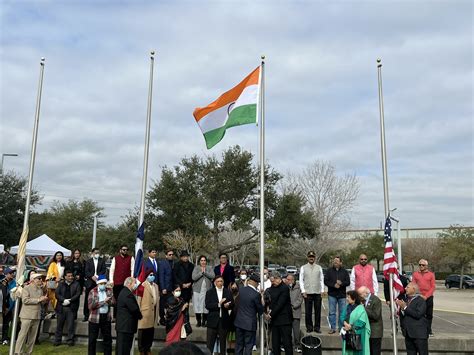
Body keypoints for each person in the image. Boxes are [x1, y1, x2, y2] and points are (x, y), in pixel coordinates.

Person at [14, 273, 49, 355]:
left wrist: (44, 300)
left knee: (32, 337)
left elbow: (40, 302)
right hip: (27, 315)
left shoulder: (40, 289)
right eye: (39, 278)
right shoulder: (26, 288)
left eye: (41, 278)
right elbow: (25, 300)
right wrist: (38, 300)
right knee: (22, 335)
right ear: (33, 280)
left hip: (36, 316)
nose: (41, 280)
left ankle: (29, 352)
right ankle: (18, 352)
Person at [234, 273, 264, 355]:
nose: (258, 285)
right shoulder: (256, 294)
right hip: (249, 324)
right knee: (248, 346)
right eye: (257, 283)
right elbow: (260, 310)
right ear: (254, 282)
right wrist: (262, 298)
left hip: (239, 322)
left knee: (239, 345)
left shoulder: (241, 290)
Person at [396, 282, 429, 355]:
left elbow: (418, 314)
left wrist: (405, 307)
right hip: (408, 334)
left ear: (413, 289)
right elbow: (404, 314)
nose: (405, 289)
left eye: (407, 287)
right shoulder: (405, 300)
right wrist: (401, 309)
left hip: (419, 334)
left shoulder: (421, 300)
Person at [205, 275, 234, 355]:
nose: (220, 283)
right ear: (215, 283)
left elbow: (232, 303)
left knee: (223, 343)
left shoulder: (227, 292)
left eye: (221, 281)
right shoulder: (210, 292)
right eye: (218, 281)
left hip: (223, 321)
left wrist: (227, 306)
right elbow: (207, 305)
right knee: (210, 343)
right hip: (212, 321)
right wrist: (219, 304)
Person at [266, 271, 293, 355]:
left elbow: (280, 304)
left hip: (284, 320)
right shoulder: (272, 287)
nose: (272, 283)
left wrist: (270, 314)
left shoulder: (284, 288)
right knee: (275, 344)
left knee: (286, 343)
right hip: (275, 320)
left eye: (273, 281)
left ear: (278, 278)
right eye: (271, 281)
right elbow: (270, 299)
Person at [88, 274, 115, 355]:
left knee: (108, 339)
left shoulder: (109, 290)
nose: (103, 285)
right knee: (92, 340)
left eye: (104, 283)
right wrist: (103, 302)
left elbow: (114, 302)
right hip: (94, 318)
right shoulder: (92, 291)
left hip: (106, 318)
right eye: (101, 284)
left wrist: (110, 301)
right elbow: (90, 306)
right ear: (98, 284)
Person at [53, 269, 82, 346]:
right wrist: (63, 300)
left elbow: (78, 294)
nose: (70, 277)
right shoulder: (61, 284)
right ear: (65, 277)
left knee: (70, 326)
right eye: (68, 276)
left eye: (72, 276)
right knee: (59, 325)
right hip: (61, 307)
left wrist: (70, 300)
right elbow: (57, 294)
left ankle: (70, 341)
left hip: (71, 308)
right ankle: (57, 340)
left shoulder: (77, 284)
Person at [299, 250, 325, 333]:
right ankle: (309, 327)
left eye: (312, 257)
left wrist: (322, 290)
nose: (311, 258)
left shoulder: (319, 267)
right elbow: (301, 280)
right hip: (307, 292)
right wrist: (303, 291)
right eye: (310, 257)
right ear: (307, 257)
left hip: (317, 292)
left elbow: (321, 279)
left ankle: (317, 327)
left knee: (318, 311)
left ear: (315, 258)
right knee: (308, 311)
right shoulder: (303, 267)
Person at [116, 276, 142, 355]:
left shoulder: (124, 292)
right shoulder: (127, 294)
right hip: (126, 327)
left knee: (122, 349)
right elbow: (134, 309)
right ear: (129, 284)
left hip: (124, 327)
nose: (135, 285)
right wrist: (140, 316)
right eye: (134, 283)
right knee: (124, 350)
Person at [325, 256, 350, 334]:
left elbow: (348, 282)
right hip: (332, 294)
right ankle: (332, 328)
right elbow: (326, 281)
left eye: (337, 261)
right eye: (334, 261)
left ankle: (341, 327)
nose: (335, 262)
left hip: (342, 295)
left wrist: (341, 283)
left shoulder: (345, 272)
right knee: (332, 312)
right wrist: (333, 285)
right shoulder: (329, 271)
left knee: (342, 312)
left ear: (341, 263)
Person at [340, 290, 370, 355]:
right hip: (348, 333)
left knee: (357, 352)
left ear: (354, 299)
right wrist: (345, 323)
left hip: (358, 334)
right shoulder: (347, 307)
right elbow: (342, 317)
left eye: (348, 297)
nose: (347, 299)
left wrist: (351, 327)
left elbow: (362, 321)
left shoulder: (361, 308)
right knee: (349, 352)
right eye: (347, 297)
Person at [411, 259, 435, 337]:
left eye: (423, 265)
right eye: (420, 265)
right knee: (419, 314)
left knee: (429, 314)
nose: (421, 266)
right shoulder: (415, 274)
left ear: (426, 266)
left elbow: (433, 287)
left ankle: (428, 330)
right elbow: (413, 285)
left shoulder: (431, 274)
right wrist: (418, 295)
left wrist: (426, 296)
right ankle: (419, 329)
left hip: (428, 297)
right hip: (419, 297)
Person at [137, 271, 159, 355]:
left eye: (153, 275)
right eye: (150, 275)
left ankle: (148, 348)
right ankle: (142, 350)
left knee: (150, 332)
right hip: (144, 312)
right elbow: (139, 300)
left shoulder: (156, 286)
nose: (152, 276)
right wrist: (139, 312)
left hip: (153, 312)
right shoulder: (142, 285)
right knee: (143, 332)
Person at [110, 245, 134, 320]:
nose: (125, 251)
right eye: (123, 250)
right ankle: (115, 316)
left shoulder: (131, 258)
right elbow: (112, 270)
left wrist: (132, 280)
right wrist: (111, 280)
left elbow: (132, 270)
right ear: (120, 250)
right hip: (117, 282)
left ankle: (124, 316)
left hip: (127, 283)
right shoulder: (115, 258)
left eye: (126, 249)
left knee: (126, 299)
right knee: (116, 300)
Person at [358, 286, 383, 355]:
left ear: (365, 293)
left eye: (360, 294)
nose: (359, 296)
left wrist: (364, 308)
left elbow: (376, 316)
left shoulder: (376, 300)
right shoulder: (362, 301)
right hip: (366, 331)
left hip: (375, 332)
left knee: (375, 352)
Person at [84, 248, 107, 321]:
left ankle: (98, 314)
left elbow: (104, 270)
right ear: (92, 253)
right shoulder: (88, 261)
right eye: (96, 253)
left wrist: (98, 276)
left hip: (99, 281)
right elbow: (86, 271)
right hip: (90, 282)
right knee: (88, 298)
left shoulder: (102, 261)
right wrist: (92, 276)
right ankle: (86, 315)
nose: (97, 254)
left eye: (98, 253)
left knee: (99, 298)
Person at [192, 255, 215, 328]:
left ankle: (204, 321)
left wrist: (205, 272)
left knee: (205, 306)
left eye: (204, 260)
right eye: (201, 260)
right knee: (197, 306)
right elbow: (193, 277)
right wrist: (201, 273)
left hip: (207, 290)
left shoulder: (209, 268)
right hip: (197, 291)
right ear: (199, 261)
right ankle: (198, 321)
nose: (203, 262)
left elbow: (213, 276)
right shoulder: (196, 268)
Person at [287, 273, 303, 353]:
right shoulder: (286, 287)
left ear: (293, 280)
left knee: (296, 331)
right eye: (287, 279)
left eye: (289, 279)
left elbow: (300, 299)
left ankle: (297, 345)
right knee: (287, 331)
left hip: (296, 312)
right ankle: (287, 345)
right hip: (287, 313)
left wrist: (293, 306)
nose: (288, 281)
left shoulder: (299, 287)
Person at [158, 249, 175, 325]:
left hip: (171, 288)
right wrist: (163, 288)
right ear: (166, 255)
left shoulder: (174, 263)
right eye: (169, 254)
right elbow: (161, 276)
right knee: (162, 304)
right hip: (165, 288)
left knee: (170, 304)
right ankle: (162, 319)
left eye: (172, 254)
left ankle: (168, 318)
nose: (171, 256)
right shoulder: (162, 263)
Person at [1, 267, 16, 345]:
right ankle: (4, 338)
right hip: (3, 306)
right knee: (5, 323)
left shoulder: (15, 283)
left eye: (13, 273)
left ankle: (8, 338)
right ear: (6, 274)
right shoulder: (2, 282)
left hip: (12, 307)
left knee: (11, 323)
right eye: (10, 273)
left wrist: (9, 308)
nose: (12, 274)